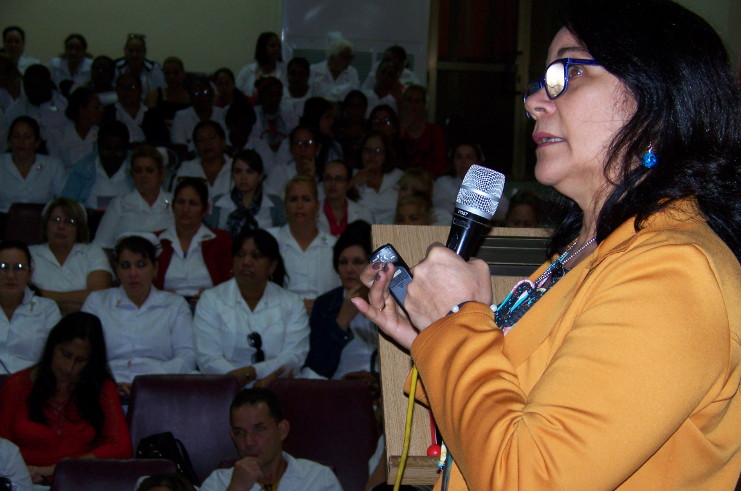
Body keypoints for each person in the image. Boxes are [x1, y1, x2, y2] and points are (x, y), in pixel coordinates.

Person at [354, 1, 741, 488]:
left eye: (570, 71)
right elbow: (520, 401)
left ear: (658, 98)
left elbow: (528, 477)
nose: (535, 100)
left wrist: (456, 322)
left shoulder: (675, 271)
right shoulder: (588, 253)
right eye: (541, 80)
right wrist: (428, 337)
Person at [0, 312, 132, 484]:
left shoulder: (101, 388)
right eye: (66, 355)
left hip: (79, 481)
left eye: (81, 360)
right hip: (24, 480)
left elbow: (121, 447)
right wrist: (22, 472)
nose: (69, 368)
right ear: (52, 347)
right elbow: (2, 446)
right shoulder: (17, 385)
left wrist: (56, 469)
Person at [193, 229, 309, 388]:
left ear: (272, 266)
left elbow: (294, 356)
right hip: (224, 387)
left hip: (275, 385)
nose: (246, 261)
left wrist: (253, 373)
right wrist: (239, 380)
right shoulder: (211, 299)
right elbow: (208, 358)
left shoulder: (292, 302)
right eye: (240, 255)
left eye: (256, 256)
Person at [82, 235, 195, 397]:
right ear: (117, 270)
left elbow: (187, 355)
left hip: (160, 385)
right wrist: (109, 381)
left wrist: (147, 379)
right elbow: (85, 351)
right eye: (125, 266)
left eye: (141, 265)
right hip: (106, 386)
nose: (133, 273)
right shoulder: (97, 301)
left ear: (155, 268)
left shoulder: (175, 305)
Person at [199, 388, 342, 491]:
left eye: (259, 429)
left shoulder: (318, 479)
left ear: (282, 430)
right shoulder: (218, 483)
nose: (249, 442)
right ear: (232, 436)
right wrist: (237, 488)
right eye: (240, 432)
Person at [305, 221, 378, 382]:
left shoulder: (389, 301)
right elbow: (317, 368)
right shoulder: (325, 305)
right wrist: (342, 320)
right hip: (339, 389)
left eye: (357, 262)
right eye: (343, 262)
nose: (349, 269)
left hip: (383, 389)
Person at [267, 176, 340, 314]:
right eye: (293, 199)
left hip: (325, 318)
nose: (300, 206)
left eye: (306, 199)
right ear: (285, 205)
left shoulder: (334, 245)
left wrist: (320, 306)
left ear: (317, 206)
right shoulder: (270, 241)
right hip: (278, 317)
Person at [154, 178, 233, 304]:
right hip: (164, 309)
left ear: (205, 209)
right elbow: (145, 285)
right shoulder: (155, 240)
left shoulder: (220, 239)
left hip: (210, 309)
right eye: (180, 202)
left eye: (193, 203)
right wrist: (159, 296)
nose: (185, 209)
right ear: (173, 206)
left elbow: (230, 284)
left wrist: (211, 297)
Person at [30, 198, 113, 315]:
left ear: (79, 228)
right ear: (46, 225)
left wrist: (41, 295)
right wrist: (79, 301)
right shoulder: (29, 254)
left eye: (69, 222)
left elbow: (99, 298)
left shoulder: (92, 252)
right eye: (56, 220)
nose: (61, 226)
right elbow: (21, 298)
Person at [93, 144, 173, 249]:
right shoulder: (119, 204)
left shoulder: (175, 202)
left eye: (149, 170)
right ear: (132, 174)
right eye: (138, 171)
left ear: (161, 174)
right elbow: (99, 246)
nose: (143, 176)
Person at [0, 240, 61, 375]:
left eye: (18, 268)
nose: (10, 275)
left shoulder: (47, 309)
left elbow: (56, 356)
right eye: (3, 267)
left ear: (30, 273)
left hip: (31, 386)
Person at [208, 149, 286, 237]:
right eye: (238, 171)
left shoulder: (275, 204)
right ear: (232, 175)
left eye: (250, 172)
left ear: (260, 176)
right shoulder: (218, 203)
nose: (243, 177)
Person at [62, 120, 134, 211]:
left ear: (127, 148)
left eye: (118, 150)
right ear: (98, 146)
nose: (112, 156)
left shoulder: (138, 168)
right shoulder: (82, 170)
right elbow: (66, 206)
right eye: (107, 149)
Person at [0, 116, 65, 213]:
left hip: (42, 223)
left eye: (27, 137)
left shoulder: (53, 166)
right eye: (16, 136)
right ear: (9, 141)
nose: (21, 142)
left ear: (37, 142)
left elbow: (65, 201)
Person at [103, 72, 169, 146]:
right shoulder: (107, 113)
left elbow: (163, 143)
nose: (127, 91)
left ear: (140, 90)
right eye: (122, 87)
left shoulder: (153, 116)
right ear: (117, 90)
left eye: (132, 87)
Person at [4, 64, 68, 141]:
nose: (32, 90)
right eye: (29, 86)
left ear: (47, 84)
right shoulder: (15, 109)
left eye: (37, 85)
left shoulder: (64, 106)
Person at [47, 87, 103, 172]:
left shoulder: (101, 134)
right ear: (82, 110)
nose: (102, 111)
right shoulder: (58, 136)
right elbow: (53, 170)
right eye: (96, 107)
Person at [351, 131, 403, 224]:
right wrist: (352, 183)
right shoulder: (350, 176)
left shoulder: (399, 177)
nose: (372, 155)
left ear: (386, 155)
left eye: (378, 151)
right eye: (368, 150)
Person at [175, 120, 231, 199]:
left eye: (212, 138)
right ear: (196, 146)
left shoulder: (236, 167)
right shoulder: (186, 169)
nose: (207, 143)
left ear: (223, 141)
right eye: (201, 140)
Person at [399, 84, 446, 176]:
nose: (413, 105)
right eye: (409, 100)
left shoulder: (435, 131)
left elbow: (440, 164)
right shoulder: (396, 131)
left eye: (417, 101)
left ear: (423, 105)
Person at [318, 159, 373, 236]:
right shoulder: (312, 213)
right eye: (328, 178)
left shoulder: (363, 213)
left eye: (338, 179)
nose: (332, 184)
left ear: (349, 184)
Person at [170, 78, 226, 154]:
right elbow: (179, 147)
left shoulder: (223, 114)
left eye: (205, 92)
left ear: (212, 94)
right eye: (195, 93)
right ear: (190, 97)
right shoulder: (181, 116)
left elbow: (227, 144)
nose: (200, 96)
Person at [235, 32, 287, 97]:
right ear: (262, 47)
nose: (277, 49)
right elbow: (236, 94)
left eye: (278, 46)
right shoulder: (247, 71)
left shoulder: (285, 71)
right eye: (272, 46)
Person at [310, 34, 359, 102]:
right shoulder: (314, 70)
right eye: (345, 57)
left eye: (351, 57)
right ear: (332, 57)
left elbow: (354, 98)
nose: (349, 61)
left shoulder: (352, 72)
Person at [144, 56, 191, 126]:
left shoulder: (191, 95)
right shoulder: (154, 94)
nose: (171, 77)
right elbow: (149, 121)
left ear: (183, 74)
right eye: (167, 73)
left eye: (176, 73)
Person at [281, 57, 314, 124]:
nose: (297, 78)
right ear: (287, 75)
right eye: (293, 74)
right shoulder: (280, 94)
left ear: (308, 76)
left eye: (301, 74)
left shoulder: (314, 95)